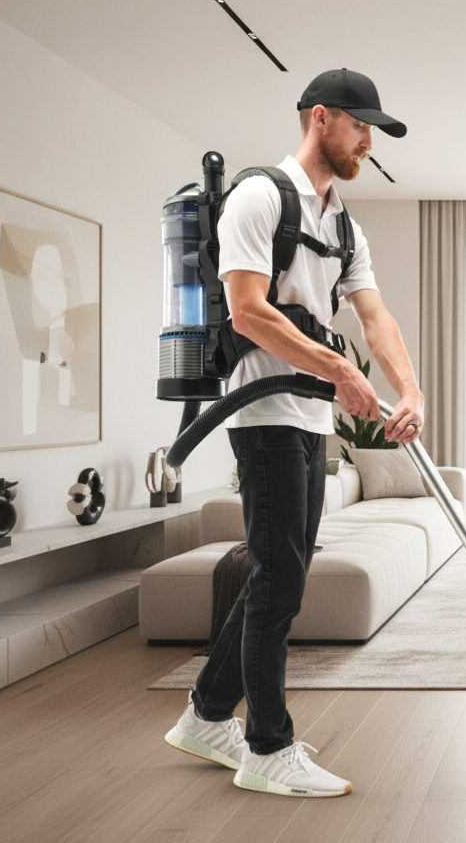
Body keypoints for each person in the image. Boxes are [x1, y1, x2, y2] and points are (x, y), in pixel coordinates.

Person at [164, 69, 424, 798]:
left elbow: (374, 317)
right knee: (280, 579)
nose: (368, 140)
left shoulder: (342, 221)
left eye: (374, 130)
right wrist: (343, 374)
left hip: (311, 414)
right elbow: (247, 312)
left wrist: (409, 388)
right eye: (360, 125)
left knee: (288, 566)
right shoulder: (259, 197)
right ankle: (266, 749)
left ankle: (207, 714)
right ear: (320, 118)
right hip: (264, 410)